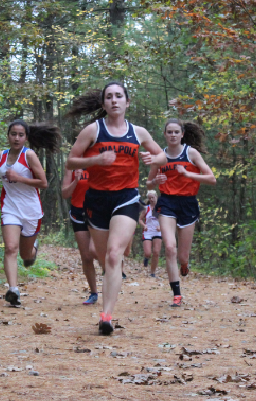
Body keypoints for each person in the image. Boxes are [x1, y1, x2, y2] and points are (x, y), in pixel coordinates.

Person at [66, 81, 167, 334]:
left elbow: (163, 155)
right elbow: (70, 161)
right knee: (104, 259)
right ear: (103, 104)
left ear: (127, 102)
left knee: (113, 255)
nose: (114, 100)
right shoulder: (93, 130)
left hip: (127, 198)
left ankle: (106, 316)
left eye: (119, 96)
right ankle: (107, 297)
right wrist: (97, 159)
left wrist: (153, 158)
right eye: (109, 97)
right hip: (97, 200)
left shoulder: (138, 132)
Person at [0, 120, 60, 307]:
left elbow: (44, 183)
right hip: (10, 208)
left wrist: (18, 178)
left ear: (26, 138)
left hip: (31, 211)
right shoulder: (1, 156)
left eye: (20, 135)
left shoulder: (30, 155)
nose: (16, 138)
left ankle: (33, 247)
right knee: (10, 248)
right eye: (13, 134)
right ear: (8, 136)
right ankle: (13, 290)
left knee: (26, 256)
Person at [146, 118, 216, 307]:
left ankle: (184, 265)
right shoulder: (160, 156)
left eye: (176, 132)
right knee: (169, 248)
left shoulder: (191, 153)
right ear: (165, 134)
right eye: (169, 132)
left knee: (182, 256)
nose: (173, 135)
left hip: (188, 203)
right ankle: (177, 294)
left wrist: (187, 174)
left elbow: (211, 178)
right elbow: (148, 182)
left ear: (182, 134)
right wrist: (155, 182)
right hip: (167, 202)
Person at [62, 167, 99, 304]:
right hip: (78, 212)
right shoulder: (71, 166)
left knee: (96, 251)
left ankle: (110, 275)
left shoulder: (98, 160)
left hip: (98, 212)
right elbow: (64, 194)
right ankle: (93, 292)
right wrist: (76, 180)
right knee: (87, 256)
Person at [139, 190, 162, 277]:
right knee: (148, 252)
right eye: (150, 198)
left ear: (156, 197)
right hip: (148, 231)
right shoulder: (146, 208)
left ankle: (152, 272)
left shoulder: (161, 208)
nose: (151, 199)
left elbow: (166, 220)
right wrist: (144, 225)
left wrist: (161, 226)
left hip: (157, 231)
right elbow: (140, 219)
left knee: (156, 252)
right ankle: (146, 257)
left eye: (153, 197)